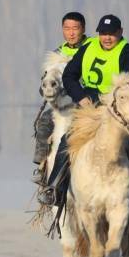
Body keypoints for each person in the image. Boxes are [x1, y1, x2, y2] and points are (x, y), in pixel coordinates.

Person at [38, 14, 129, 212]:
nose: (107, 38)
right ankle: (54, 187)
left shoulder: (128, 52)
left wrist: (113, 104)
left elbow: (128, 83)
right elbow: (69, 75)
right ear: (98, 33)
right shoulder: (88, 48)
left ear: (120, 33)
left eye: (112, 34)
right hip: (88, 106)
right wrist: (80, 96)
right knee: (68, 139)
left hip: (116, 109)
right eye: (103, 33)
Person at [31, 11, 91, 185]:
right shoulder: (57, 52)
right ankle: (42, 166)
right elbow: (46, 81)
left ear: (83, 29)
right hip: (64, 105)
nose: (71, 33)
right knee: (43, 121)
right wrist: (46, 90)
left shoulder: (92, 48)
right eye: (67, 28)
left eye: (75, 28)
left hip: (89, 100)